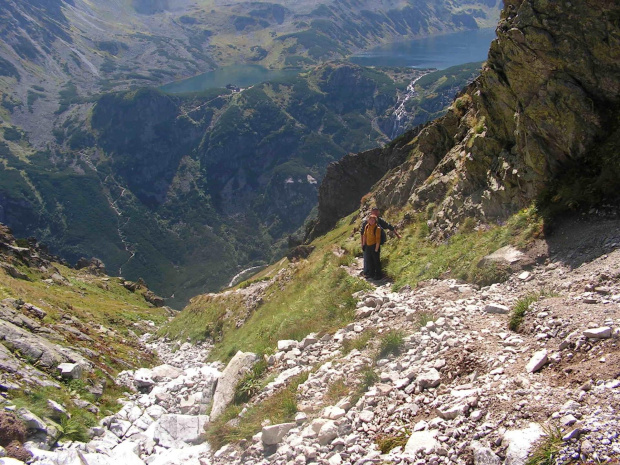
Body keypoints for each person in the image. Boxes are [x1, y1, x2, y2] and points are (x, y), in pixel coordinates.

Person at [360, 207, 401, 278]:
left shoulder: (379, 222)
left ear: (378, 212)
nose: (375, 213)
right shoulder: (366, 224)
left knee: (375, 259)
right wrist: (363, 244)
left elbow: (389, 226)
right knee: (368, 259)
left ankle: (376, 274)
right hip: (367, 244)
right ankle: (368, 273)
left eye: (376, 212)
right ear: (371, 212)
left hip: (375, 244)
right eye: (374, 212)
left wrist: (397, 235)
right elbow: (363, 234)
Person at [361, 215, 382, 279]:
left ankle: (378, 275)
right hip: (368, 246)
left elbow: (378, 240)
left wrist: (376, 249)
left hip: (374, 245)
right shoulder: (367, 226)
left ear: (375, 221)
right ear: (368, 220)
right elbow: (364, 236)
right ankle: (371, 274)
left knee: (376, 261)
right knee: (369, 260)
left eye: (373, 220)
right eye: (370, 220)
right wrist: (364, 244)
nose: (371, 221)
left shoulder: (377, 228)